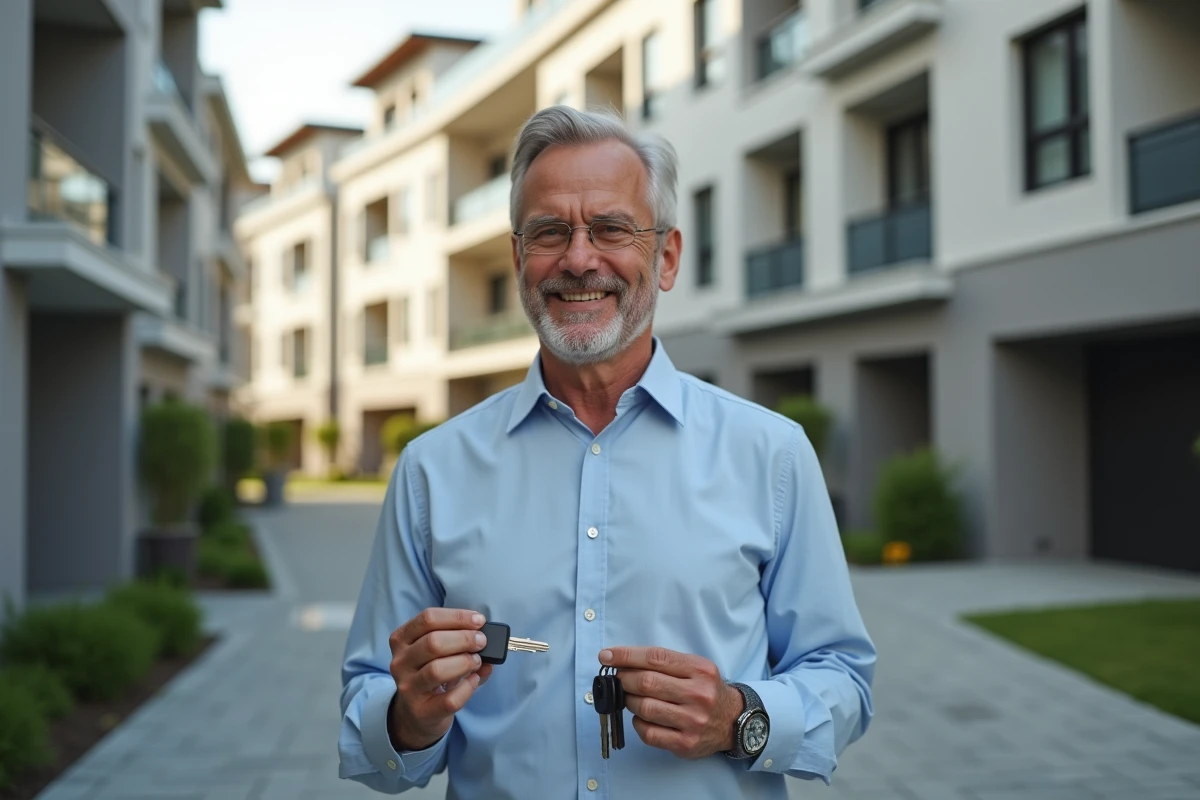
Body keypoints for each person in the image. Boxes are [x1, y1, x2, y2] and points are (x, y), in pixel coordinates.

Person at [338, 106, 876, 799]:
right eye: (549, 232)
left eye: (611, 229)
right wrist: (409, 718)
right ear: (518, 259)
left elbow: (843, 677)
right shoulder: (431, 472)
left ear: (667, 257)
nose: (578, 259)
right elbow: (369, 703)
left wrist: (740, 718)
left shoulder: (771, 454)